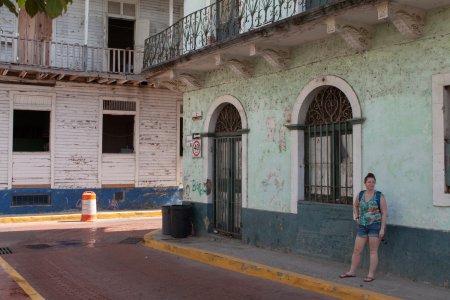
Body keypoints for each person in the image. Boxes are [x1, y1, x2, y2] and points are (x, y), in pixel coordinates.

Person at [339, 173, 387, 282]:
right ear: (365, 183)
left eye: (373, 182)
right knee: (356, 250)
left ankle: (370, 275)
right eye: (369, 182)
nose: (371, 184)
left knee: (373, 251)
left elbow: (384, 213)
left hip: (375, 227)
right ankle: (352, 271)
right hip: (362, 227)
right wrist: (357, 216)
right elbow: (355, 205)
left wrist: (382, 228)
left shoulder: (379, 196)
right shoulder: (360, 194)